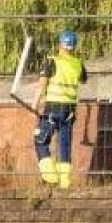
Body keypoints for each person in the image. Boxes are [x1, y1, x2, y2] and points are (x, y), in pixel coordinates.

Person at [32, 31, 87, 187]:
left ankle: (50, 176)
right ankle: (64, 182)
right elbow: (83, 79)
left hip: (52, 108)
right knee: (64, 145)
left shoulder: (51, 61)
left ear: (60, 44)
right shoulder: (78, 64)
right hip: (69, 111)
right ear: (74, 46)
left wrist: (34, 104)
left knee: (40, 140)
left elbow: (42, 84)